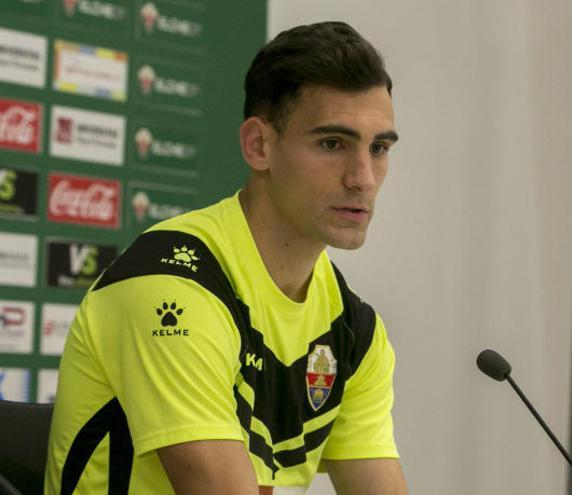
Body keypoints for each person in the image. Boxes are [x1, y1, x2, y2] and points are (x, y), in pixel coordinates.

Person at [44, 21, 407, 494]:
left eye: (378, 148)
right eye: (332, 144)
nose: (363, 177)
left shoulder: (353, 330)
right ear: (259, 146)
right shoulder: (171, 288)